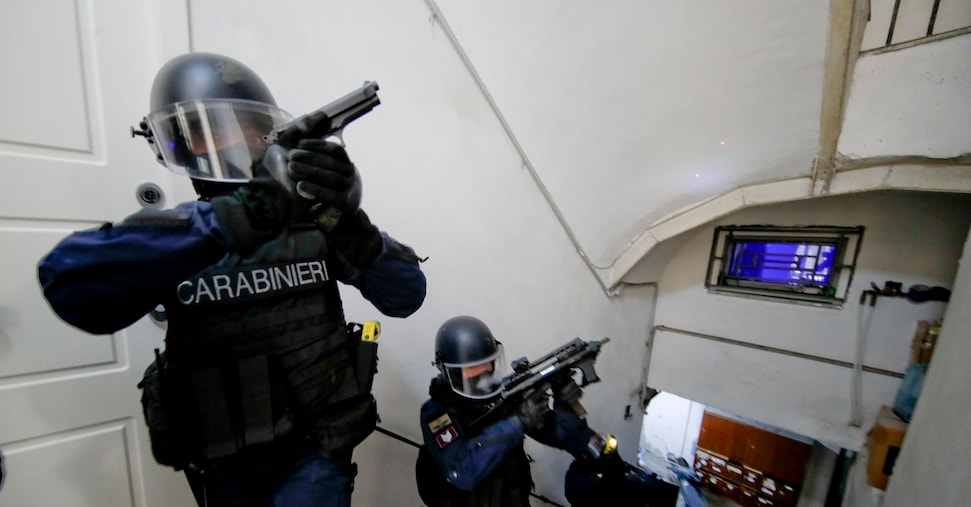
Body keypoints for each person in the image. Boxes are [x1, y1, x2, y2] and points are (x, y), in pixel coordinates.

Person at [37, 52, 426, 507]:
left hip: (314, 453)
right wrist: (238, 217)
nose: (238, 142)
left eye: (250, 128)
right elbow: (68, 284)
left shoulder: (314, 222)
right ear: (182, 145)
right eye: (214, 131)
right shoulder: (180, 237)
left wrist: (347, 221)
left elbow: (405, 295)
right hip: (224, 464)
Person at [415, 315, 600, 506]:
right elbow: (463, 471)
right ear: (448, 372)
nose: (482, 377)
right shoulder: (436, 413)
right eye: (472, 371)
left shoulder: (502, 397)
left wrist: (564, 405)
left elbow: (571, 439)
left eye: (488, 367)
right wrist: (517, 422)